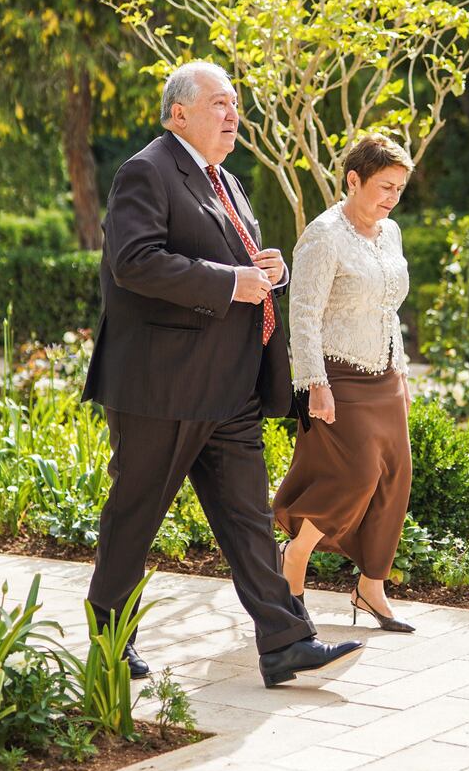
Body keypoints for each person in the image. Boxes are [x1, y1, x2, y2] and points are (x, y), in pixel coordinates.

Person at [81, 60, 362, 687]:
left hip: (229, 387)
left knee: (246, 519)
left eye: (234, 103)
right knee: (137, 513)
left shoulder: (226, 182)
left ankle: (286, 642)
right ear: (179, 112)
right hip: (163, 386)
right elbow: (134, 262)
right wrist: (231, 280)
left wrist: (270, 272)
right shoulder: (146, 171)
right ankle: (108, 637)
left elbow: (238, 268)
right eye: (218, 103)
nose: (232, 114)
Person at [273, 134, 416, 633]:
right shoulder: (323, 234)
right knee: (355, 476)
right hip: (337, 374)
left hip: (385, 375)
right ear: (353, 180)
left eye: (398, 189)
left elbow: (387, 308)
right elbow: (304, 313)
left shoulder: (390, 232)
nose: (391, 198)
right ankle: (295, 556)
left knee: (396, 478)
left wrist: (401, 370)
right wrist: (313, 382)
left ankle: (370, 586)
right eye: (383, 186)